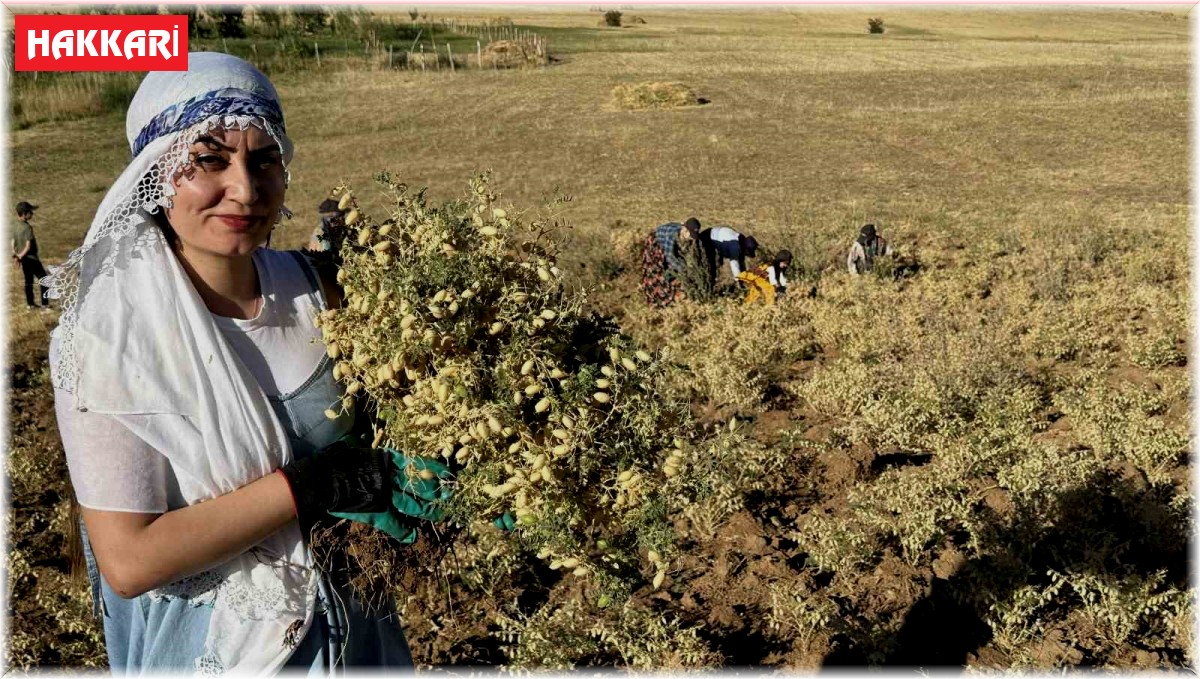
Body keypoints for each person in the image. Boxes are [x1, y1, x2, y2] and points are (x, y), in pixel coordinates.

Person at [45, 52, 440, 674]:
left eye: (264, 161)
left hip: (357, 631)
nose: (245, 189)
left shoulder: (323, 291)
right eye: (209, 160)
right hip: (225, 646)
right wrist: (316, 485)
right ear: (157, 173)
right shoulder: (109, 338)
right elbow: (129, 562)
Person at [639, 217, 702, 307]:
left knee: (677, 268)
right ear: (684, 229)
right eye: (691, 235)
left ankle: (673, 290)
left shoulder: (685, 236)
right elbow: (670, 258)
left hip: (668, 245)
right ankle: (656, 300)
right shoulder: (671, 236)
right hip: (656, 244)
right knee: (655, 272)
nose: (691, 238)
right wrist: (686, 271)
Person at [12, 201, 51, 310]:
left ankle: (30, 304)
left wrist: (16, 255)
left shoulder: (15, 226)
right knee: (44, 279)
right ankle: (45, 305)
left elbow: (13, 242)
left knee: (28, 280)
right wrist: (20, 256)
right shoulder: (27, 228)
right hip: (31, 258)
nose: (32, 214)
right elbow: (28, 246)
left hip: (23, 259)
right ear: (24, 214)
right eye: (30, 212)